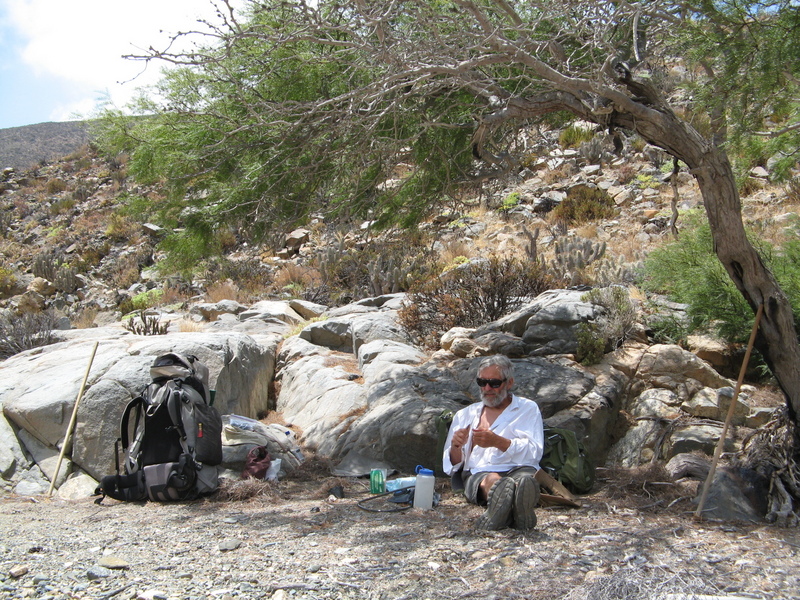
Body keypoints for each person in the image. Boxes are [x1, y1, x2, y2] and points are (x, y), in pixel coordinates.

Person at [443, 355, 544, 530]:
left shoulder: (528, 408)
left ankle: (507, 510)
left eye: (494, 383)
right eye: (482, 382)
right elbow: (452, 465)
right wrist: (456, 446)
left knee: (524, 480)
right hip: (480, 471)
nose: (487, 388)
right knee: (492, 480)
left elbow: (535, 452)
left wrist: (499, 442)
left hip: (519, 467)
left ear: (509, 383)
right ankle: (513, 509)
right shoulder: (465, 415)